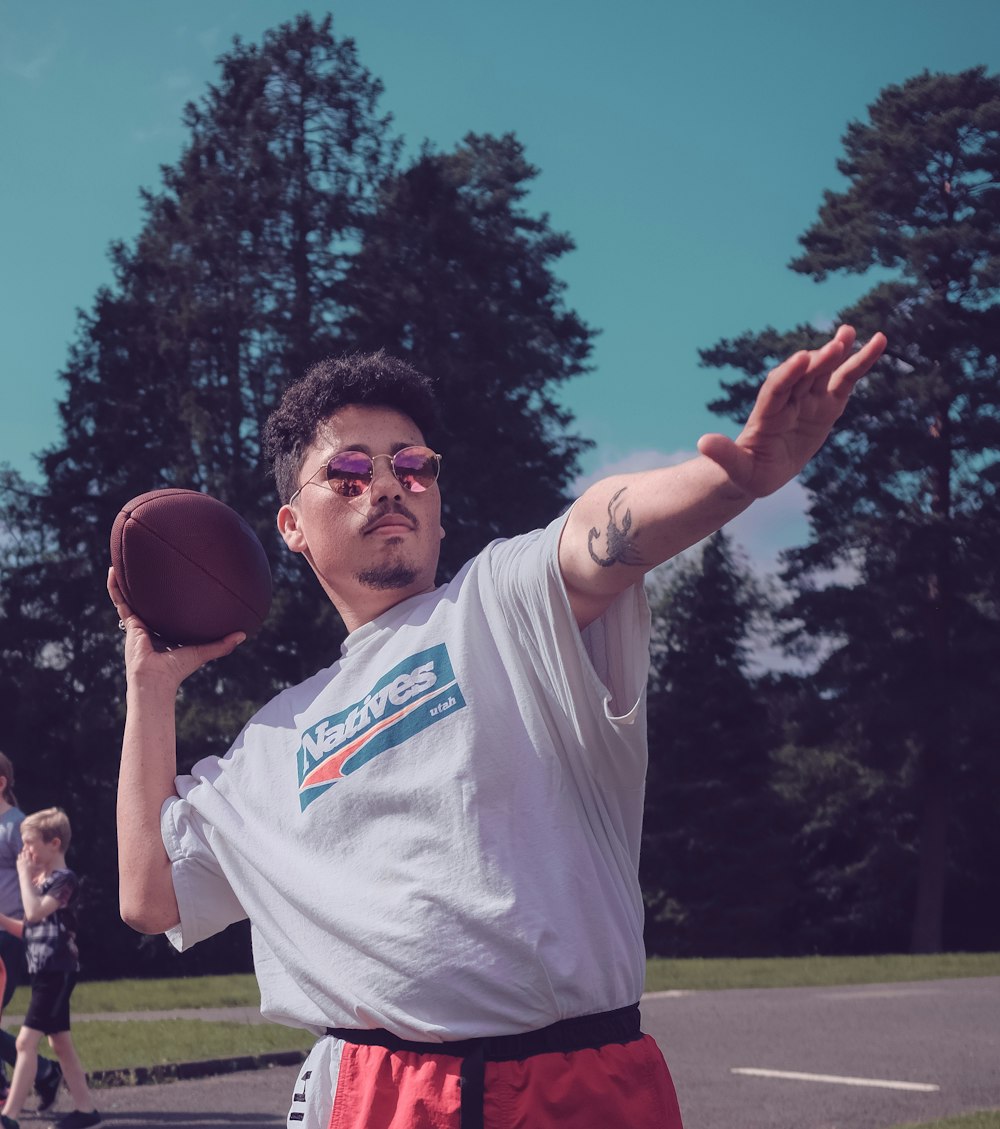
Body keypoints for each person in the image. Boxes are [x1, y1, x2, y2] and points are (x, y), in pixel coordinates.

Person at [109, 326, 886, 1129]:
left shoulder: (501, 604)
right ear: (291, 525)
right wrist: (150, 683)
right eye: (346, 472)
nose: (385, 485)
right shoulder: (271, 741)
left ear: (437, 500)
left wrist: (729, 484)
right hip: (373, 1094)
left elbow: (598, 534)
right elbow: (150, 895)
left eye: (411, 465)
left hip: (573, 1083)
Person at [0, 808, 100, 1129]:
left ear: (54, 844)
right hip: (45, 971)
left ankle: (9, 1117)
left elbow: (34, 912)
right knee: (60, 1043)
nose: (26, 852)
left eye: (30, 845)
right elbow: (28, 928)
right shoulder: (42, 881)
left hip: (58, 971)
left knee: (24, 1043)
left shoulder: (63, 881)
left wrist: (21, 875)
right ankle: (86, 1111)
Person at [0, 756, 63, 1113]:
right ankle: (40, 1074)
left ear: (1, 783)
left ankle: (44, 1071)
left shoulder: (17, 828)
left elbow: (40, 878)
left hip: (8, 934)